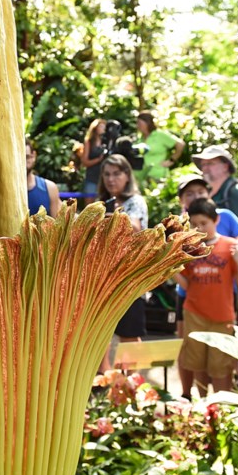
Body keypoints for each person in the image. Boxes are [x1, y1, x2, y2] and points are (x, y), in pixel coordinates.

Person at [174, 174, 238, 391]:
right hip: (194, 313)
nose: (200, 228)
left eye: (204, 223)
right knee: (196, 361)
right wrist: (172, 272)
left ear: (216, 220)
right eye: (195, 224)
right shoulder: (189, 247)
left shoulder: (229, 245)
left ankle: (222, 408)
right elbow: (188, 285)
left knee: (222, 366)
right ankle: (203, 407)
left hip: (222, 316)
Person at [96, 154, 149, 373]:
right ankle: (103, 380)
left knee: (129, 332)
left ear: (127, 175)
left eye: (117, 173)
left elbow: (136, 228)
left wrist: (112, 217)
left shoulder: (135, 201)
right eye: (107, 174)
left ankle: (131, 385)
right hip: (103, 276)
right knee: (99, 332)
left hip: (129, 275)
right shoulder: (100, 203)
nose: (111, 179)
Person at [192, 145, 238, 238]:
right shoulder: (207, 194)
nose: (205, 168)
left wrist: (217, 239)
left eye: (210, 163)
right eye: (203, 164)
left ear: (225, 167)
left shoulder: (237, 192)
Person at [135, 111, 184, 184]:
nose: (137, 126)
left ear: (147, 123)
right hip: (142, 178)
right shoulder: (139, 139)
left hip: (158, 176)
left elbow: (180, 144)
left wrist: (171, 160)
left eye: (139, 123)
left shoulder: (159, 135)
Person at [25, 139, 61, 217]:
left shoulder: (49, 188)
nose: (23, 163)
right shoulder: (3, 191)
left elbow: (57, 223)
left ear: (33, 156)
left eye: (27, 157)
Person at [80, 118, 107, 206]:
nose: (103, 129)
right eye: (101, 126)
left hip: (104, 178)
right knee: (89, 206)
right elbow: (84, 161)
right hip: (92, 177)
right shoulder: (89, 142)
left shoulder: (106, 142)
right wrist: (98, 160)